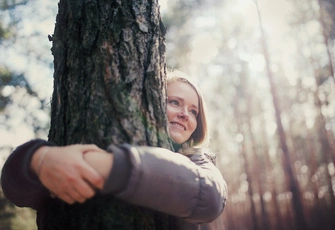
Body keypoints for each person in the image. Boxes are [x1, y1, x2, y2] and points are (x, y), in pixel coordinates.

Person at [1, 71, 227, 229]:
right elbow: (14, 188)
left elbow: (210, 198)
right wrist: (39, 159)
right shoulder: (76, 134)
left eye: (194, 111)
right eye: (175, 102)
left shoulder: (199, 160)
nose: (185, 114)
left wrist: (106, 166)